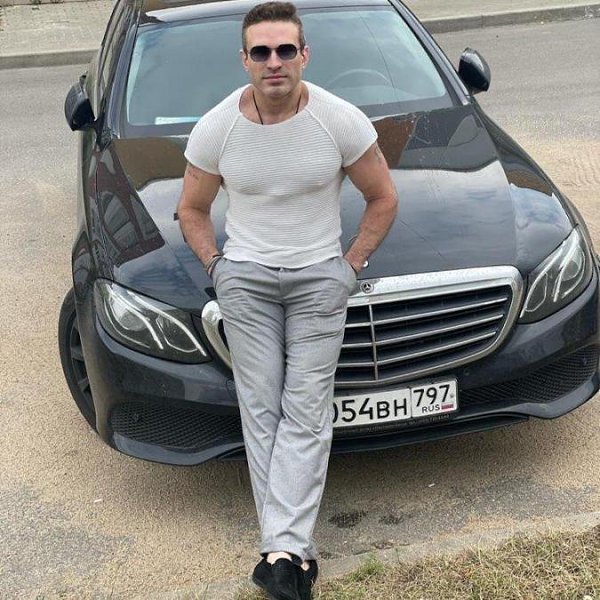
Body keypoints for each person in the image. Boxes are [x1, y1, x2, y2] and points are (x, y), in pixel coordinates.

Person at [177, 2, 398, 598]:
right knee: (261, 409)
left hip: (318, 280)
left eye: (284, 50)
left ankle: (281, 551)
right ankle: (289, 553)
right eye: (261, 51)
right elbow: (191, 209)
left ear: (304, 55)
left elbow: (383, 197)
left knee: (305, 409)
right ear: (244, 60)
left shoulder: (339, 120)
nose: (273, 62)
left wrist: (349, 267)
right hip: (246, 281)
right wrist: (218, 268)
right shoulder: (217, 128)